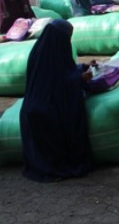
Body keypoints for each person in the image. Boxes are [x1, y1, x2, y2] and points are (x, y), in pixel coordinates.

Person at [20, 20, 92, 182]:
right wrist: (80, 79)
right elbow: (56, 85)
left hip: (35, 106)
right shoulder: (50, 54)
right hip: (44, 110)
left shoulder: (43, 50)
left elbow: (63, 72)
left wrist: (82, 68)